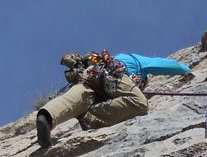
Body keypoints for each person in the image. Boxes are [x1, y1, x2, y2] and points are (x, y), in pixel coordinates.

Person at [35, 51, 192, 147]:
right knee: (139, 103)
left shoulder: (110, 58)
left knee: (73, 98)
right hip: (114, 74)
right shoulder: (137, 62)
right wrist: (185, 69)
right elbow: (162, 65)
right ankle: (89, 117)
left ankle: (47, 117)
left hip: (92, 75)